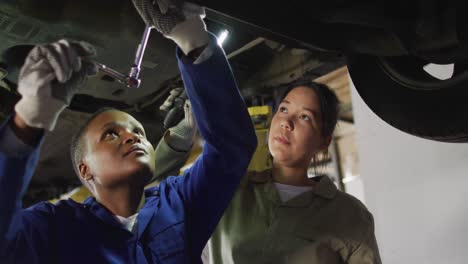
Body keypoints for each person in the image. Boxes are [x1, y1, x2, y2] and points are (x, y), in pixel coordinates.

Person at [0, 0, 257, 263]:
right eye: (111, 134)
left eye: (140, 132)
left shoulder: (178, 203)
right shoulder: (54, 227)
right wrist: (27, 122)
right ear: (85, 169)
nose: (133, 136)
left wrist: (194, 39)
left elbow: (231, 150)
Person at [154, 80, 382, 263]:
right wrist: (181, 137)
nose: (286, 122)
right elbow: (152, 199)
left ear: (324, 141)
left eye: (305, 117)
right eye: (284, 109)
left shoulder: (349, 215)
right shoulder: (229, 189)